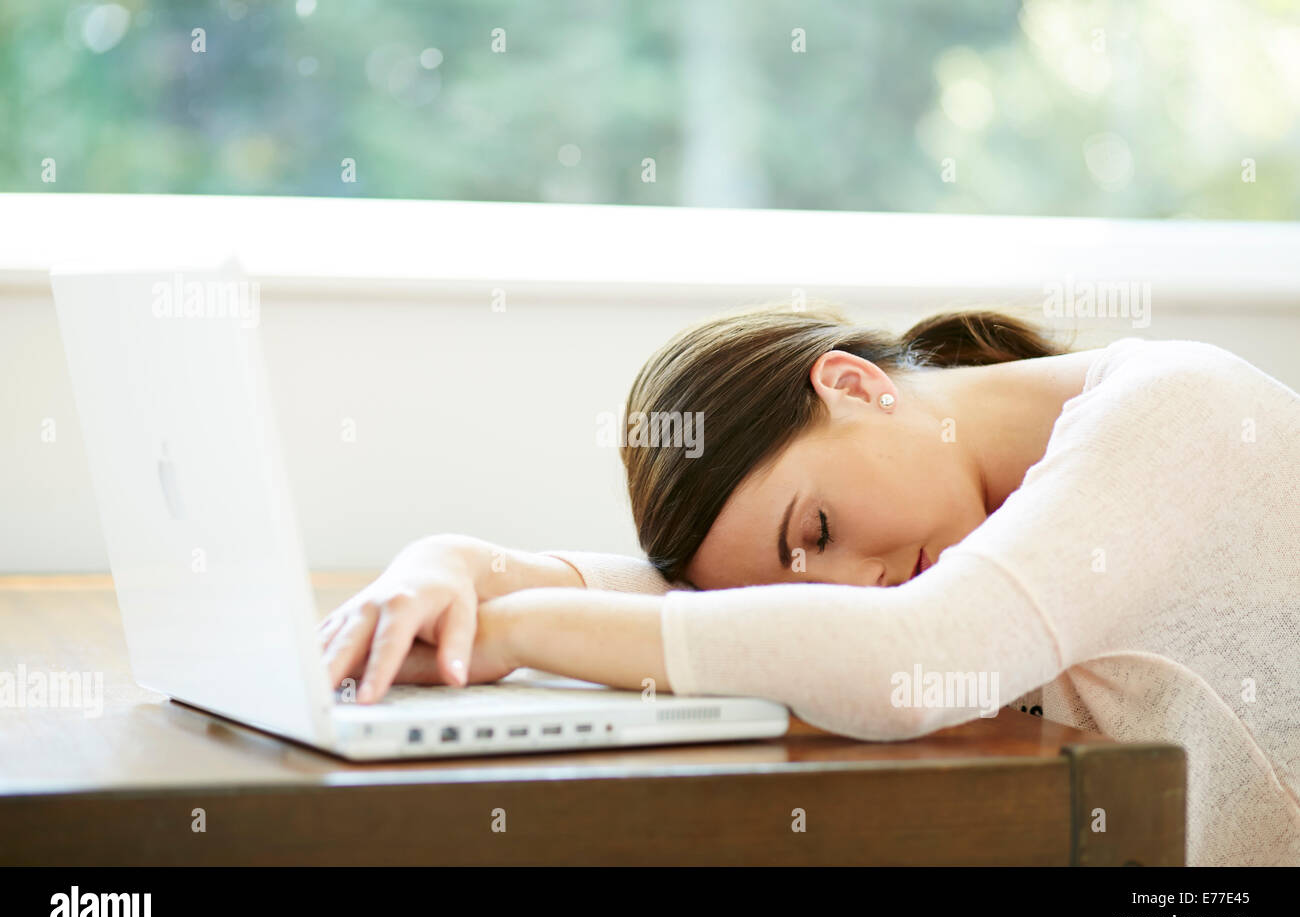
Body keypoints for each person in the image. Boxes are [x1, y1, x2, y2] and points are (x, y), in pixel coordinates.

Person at [317, 301, 1300, 866]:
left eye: (816, 530)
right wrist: (446, 563)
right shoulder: (982, 527)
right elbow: (700, 612)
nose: (852, 589)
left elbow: (920, 658)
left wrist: (521, 629)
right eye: (809, 576)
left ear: (854, 384)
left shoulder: (1174, 407)